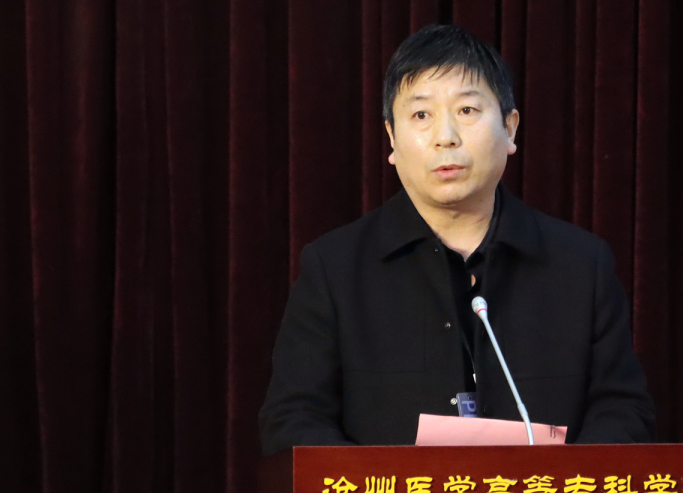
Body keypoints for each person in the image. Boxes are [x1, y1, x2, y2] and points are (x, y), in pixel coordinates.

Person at [259, 24, 655, 455]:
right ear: (391, 138)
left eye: (467, 110)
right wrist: (379, 488)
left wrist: (560, 486)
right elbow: (293, 421)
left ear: (510, 128)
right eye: (421, 115)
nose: (445, 136)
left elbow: (624, 411)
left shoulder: (580, 265)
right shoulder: (335, 270)